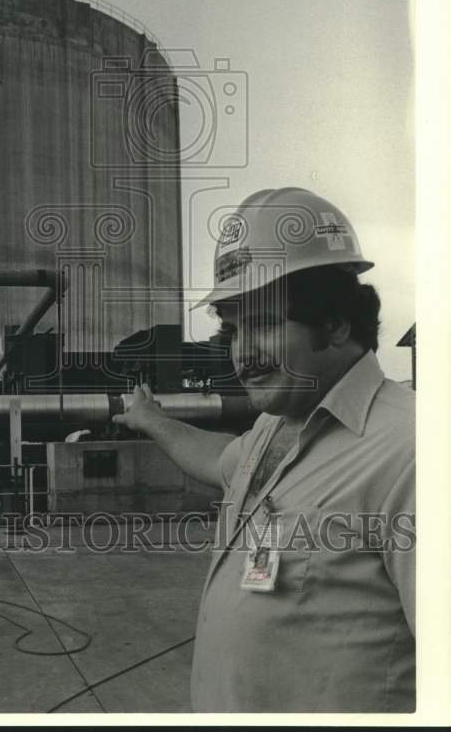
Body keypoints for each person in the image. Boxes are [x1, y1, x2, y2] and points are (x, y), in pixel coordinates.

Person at [113, 187, 415, 713]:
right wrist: (152, 420)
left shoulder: (412, 453)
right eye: (233, 330)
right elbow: (216, 459)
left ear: (336, 322)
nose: (242, 355)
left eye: (265, 324)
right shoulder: (275, 428)